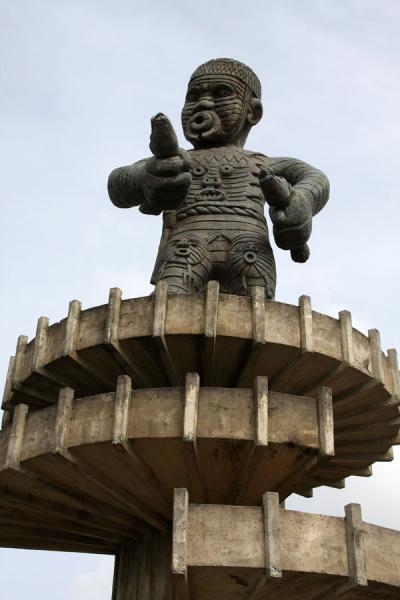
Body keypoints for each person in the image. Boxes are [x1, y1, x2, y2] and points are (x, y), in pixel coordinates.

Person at [108, 58, 329, 298]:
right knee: (170, 303)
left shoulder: (263, 163)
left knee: (255, 315)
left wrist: (302, 200)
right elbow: (117, 183)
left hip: (250, 244)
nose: (203, 103)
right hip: (186, 245)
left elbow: (315, 178)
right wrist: (145, 177)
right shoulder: (177, 162)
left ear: (252, 111)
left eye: (221, 93)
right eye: (193, 96)